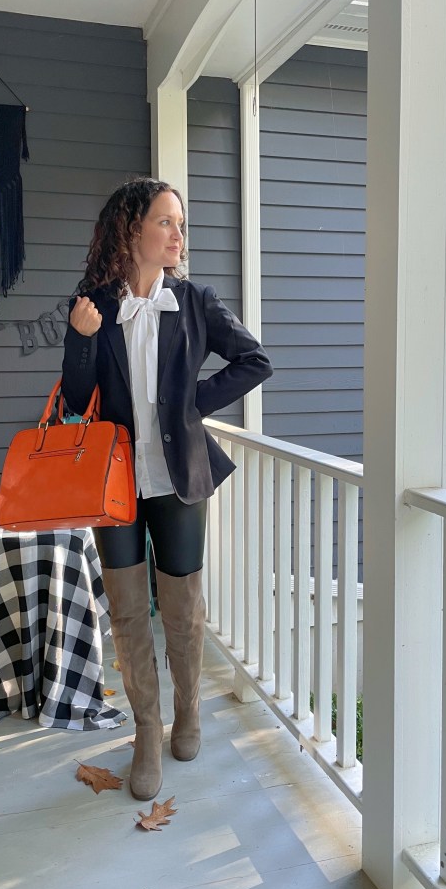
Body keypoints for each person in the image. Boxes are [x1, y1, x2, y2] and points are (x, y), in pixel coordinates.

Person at [61, 177, 272, 801]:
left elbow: (254, 360)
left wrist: (190, 405)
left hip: (179, 478)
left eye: (181, 223)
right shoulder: (93, 303)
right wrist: (81, 338)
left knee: (181, 606)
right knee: (128, 609)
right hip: (115, 483)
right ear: (132, 229)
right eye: (165, 222)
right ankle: (147, 732)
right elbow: (75, 399)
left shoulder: (196, 300)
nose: (178, 234)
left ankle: (188, 711)